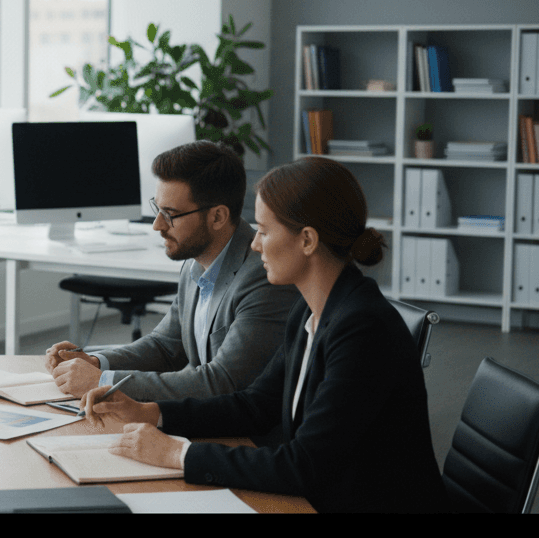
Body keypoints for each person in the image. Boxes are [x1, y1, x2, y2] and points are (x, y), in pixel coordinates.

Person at [82, 157, 448, 513]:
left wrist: (177, 453)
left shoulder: (363, 329)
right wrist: (152, 412)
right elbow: (255, 405)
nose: (255, 244)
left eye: (264, 231)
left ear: (307, 240)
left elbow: (302, 465)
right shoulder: (310, 310)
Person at [44, 140, 299, 401]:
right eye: (158, 208)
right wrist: (96, 362)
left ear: (217, 217)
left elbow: (224, 382)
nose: (157, 225)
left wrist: (102, 382)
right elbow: (165, 347)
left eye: (170, 214)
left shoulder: (262, 276)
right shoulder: (195, 260)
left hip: (245, 433)